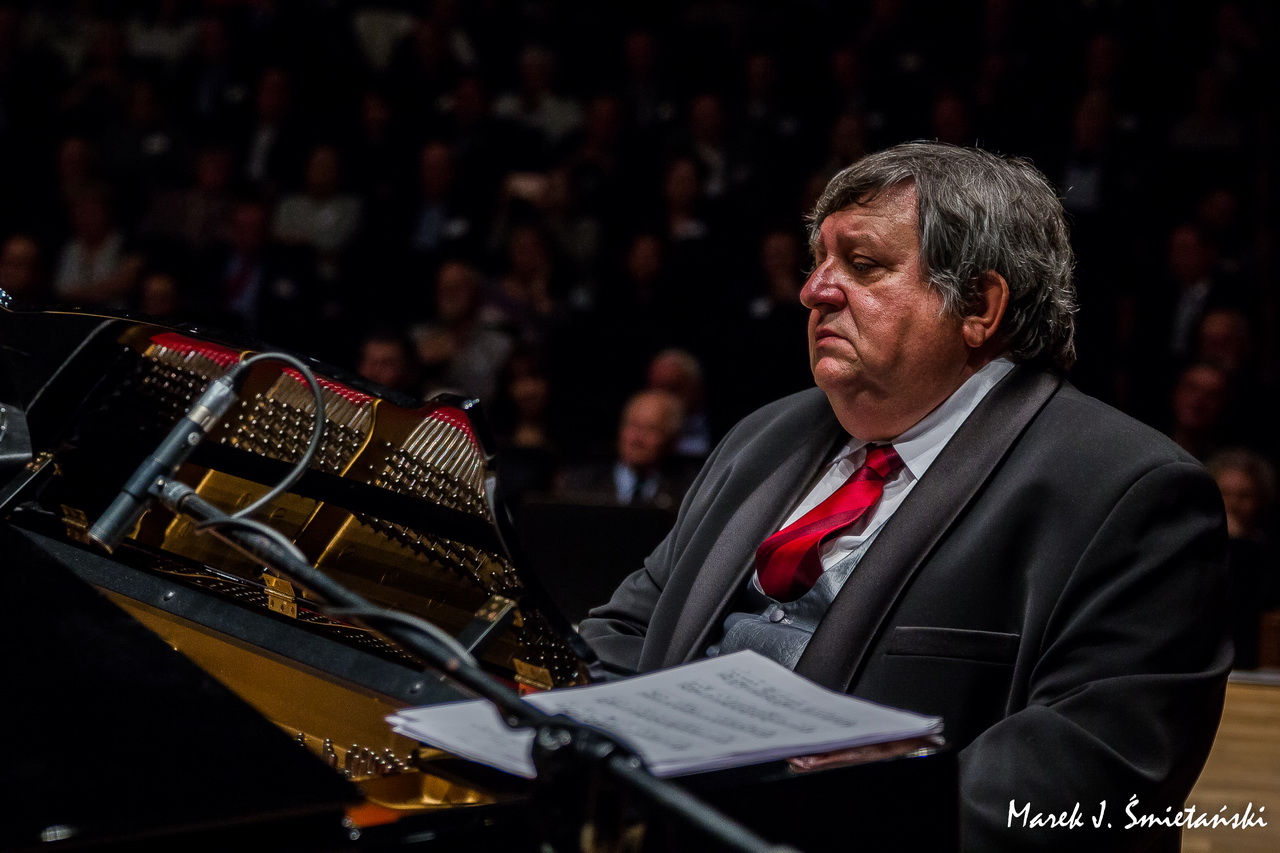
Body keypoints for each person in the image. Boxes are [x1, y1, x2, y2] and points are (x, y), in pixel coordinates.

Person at [579, 142, 1230, 852]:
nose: (814, 290)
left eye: (861, 265)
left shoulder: (1127, 488)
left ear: (979, 305)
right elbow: (628, 632)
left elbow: (1097, 774)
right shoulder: (762, 437)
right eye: (818, 262)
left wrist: (860, 804)